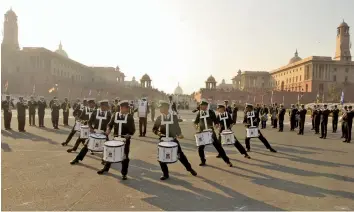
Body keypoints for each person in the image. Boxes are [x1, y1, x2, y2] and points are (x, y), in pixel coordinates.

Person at [153, 100, 197, 180]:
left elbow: (177, 128)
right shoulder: (159, 118)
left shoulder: (173, 117)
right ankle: (165, 174)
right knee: (161, 157)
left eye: (161, 107)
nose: (160, 109)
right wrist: (158, 132)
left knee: (181, 156)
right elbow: (154, 129)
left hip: (172, 140)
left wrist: (179, 134)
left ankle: (189, 169)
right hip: (163, 140)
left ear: (166, 108)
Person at [97, 100, 135, 180]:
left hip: (125, 140)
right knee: (110, 153)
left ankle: (124, 174)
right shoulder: (115, 115)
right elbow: (110, 125)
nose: (128, 109)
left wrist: (129, 134)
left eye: (128, 107)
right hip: (115, 139)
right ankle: (105, 169)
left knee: (125, 157)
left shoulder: (129, 117)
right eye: (126, 107)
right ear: (121, 108)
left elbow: (133, 130)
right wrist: (108, 130)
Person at [70, 100, 112, 164]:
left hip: (103, 133)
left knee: (107, 147)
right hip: (94, 132)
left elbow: (109, 124)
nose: (105, 108)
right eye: (104, 106)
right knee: (86, 146)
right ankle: (77, 159)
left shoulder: (108, 114)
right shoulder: (95, 112)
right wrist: (91, 128)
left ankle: (105, 160)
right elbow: (89, 122)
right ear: (101, 106)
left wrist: (107, 130)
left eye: (106, 106)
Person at [194, 99, 233, 167]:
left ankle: (227, 161)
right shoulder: (199, 113)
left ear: (206, 106)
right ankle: (203, 161)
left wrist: (216, 125)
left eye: (203, 105)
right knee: (200, 148)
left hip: (210, 132)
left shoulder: (211, 112)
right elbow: (195, 122)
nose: (201, 107)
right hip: (202, 133)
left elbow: (215, 121)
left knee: (218, 147)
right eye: (201, 106)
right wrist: (196, 126)